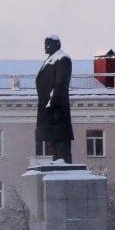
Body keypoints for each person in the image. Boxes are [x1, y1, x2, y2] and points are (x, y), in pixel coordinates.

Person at [35, 35, 73, 163]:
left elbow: (61, 82)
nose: (45, 47)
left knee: (60, 135)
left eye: (48, 44)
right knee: (53, 136)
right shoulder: (50, 59)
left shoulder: (63, 59)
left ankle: (62, 161)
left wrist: (52, 101)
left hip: (57, 106)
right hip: (48, 105)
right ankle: (57, 159)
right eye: (45, 44)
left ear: (57, 45)